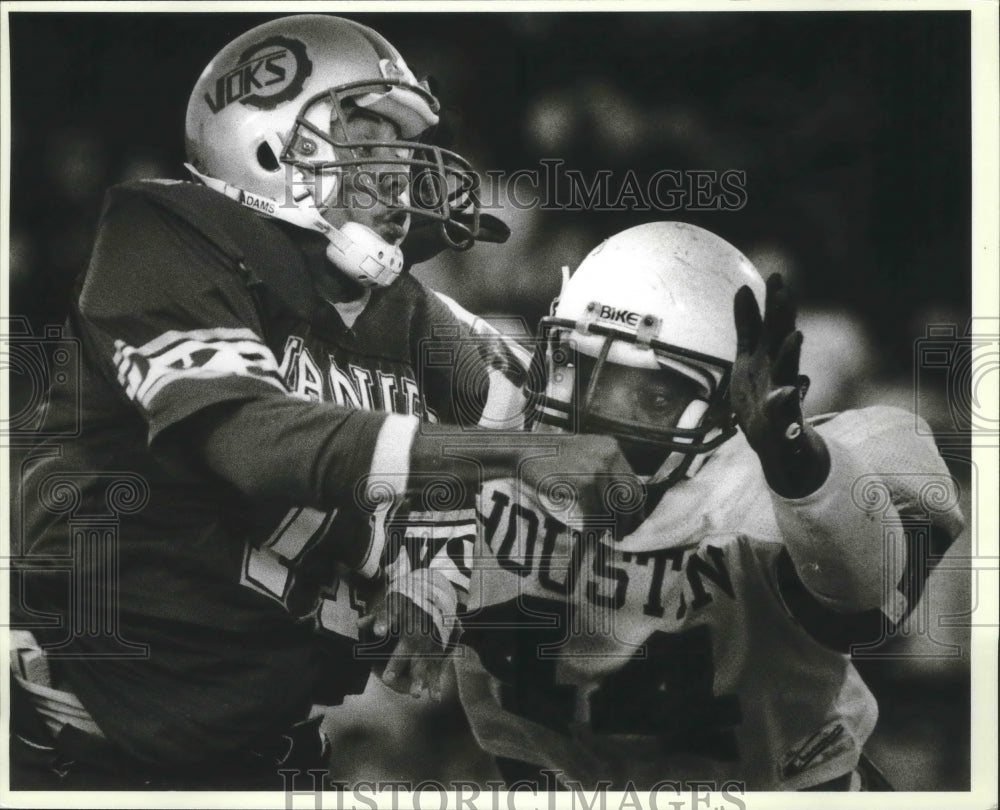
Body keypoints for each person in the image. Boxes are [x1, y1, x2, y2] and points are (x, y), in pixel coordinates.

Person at [8, 14, 633, 790]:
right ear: (268, 145)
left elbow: (528, 421)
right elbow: (253, 441)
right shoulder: (163, 237)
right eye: (367, 141)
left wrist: (432, 577)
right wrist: (517, 454)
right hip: (76, 739)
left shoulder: (408, 315)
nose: (399, 173)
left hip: (267, 749)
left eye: (402, 151)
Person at [452, 221, 965, 791]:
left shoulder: (770, 487)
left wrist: (796, 463)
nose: (597, 415)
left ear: (726, 408)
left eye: (654, 396)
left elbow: (861, 600)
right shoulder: (492, 416)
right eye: (582, 369)